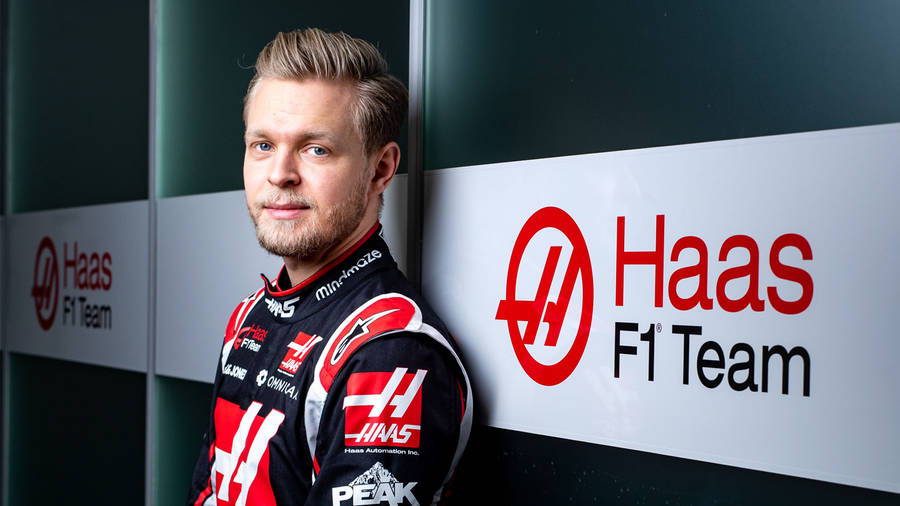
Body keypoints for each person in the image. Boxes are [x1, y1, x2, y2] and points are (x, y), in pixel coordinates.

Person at [187, 28, 472, 506]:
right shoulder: (249, 317)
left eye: (315, 149)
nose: (280, 173)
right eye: (262, 145)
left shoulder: (388, 352)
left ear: (380, 170)